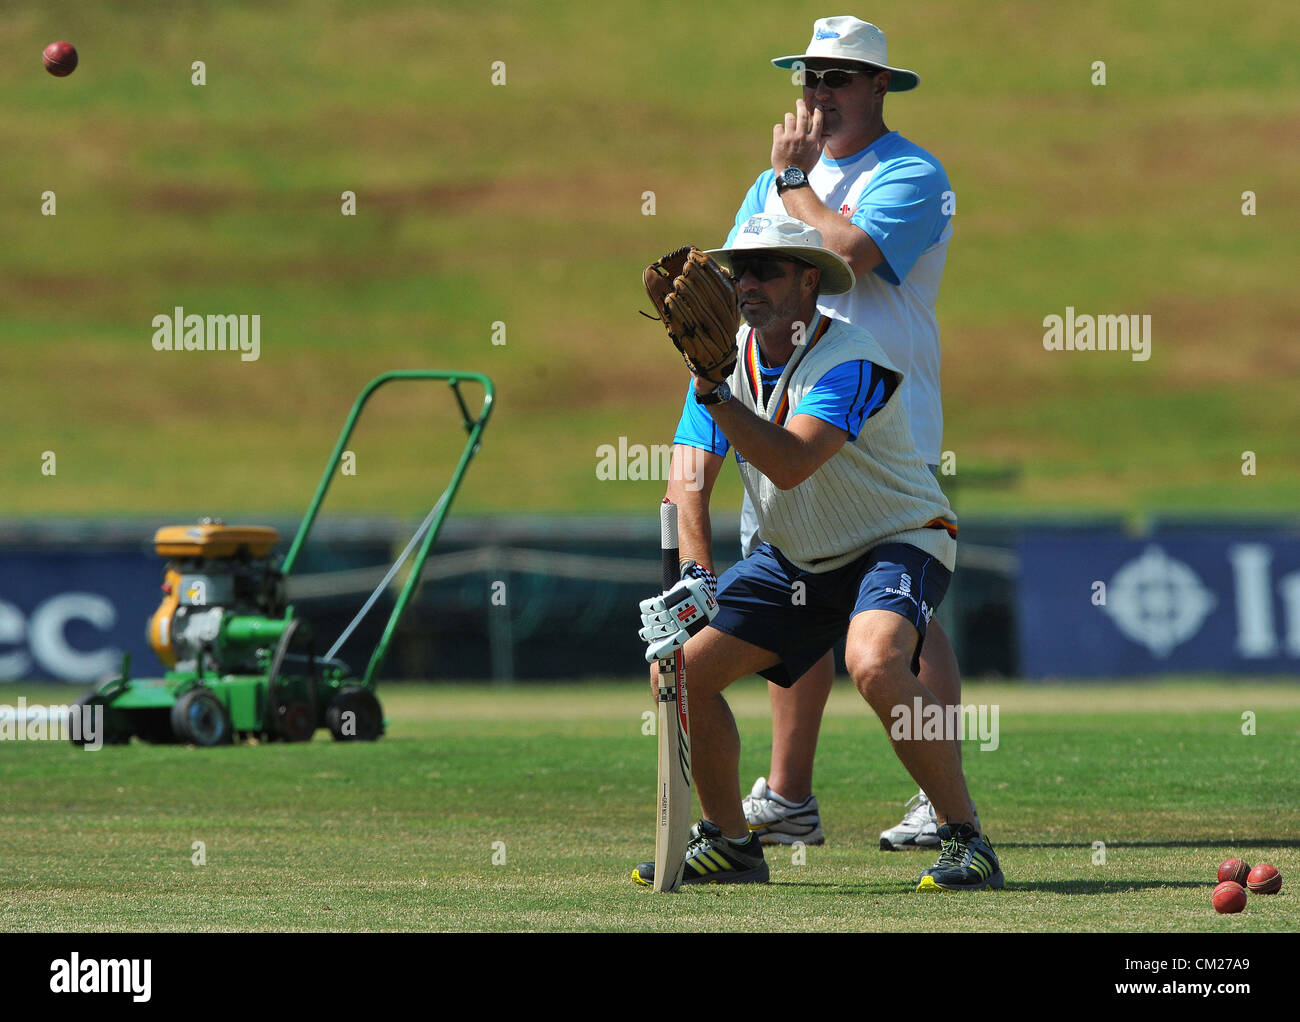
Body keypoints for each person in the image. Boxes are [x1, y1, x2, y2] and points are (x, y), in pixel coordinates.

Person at [630, 214, 1000, 891]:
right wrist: (695, 570)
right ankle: (733, 843)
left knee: (875, 662)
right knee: (682, 671)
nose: (747, 284)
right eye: (739, 271)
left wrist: (714, 393)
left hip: (897, 538)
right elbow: (686, 481)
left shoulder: (852, 359)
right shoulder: (717, 364)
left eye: (767, 269)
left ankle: (965, 836)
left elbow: (792, 462)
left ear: (809, 281)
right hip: (794, 557)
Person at [723, 16, 970, 850]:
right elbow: (741, 273)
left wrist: (792, 178)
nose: (818, 90)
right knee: (797, 582)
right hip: (785, 414)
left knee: (904, 615)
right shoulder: (772, 183)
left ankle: (943, 803)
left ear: (878, 87)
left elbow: (847, 250)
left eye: (837, 76)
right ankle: (789, 795)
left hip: (883, 419)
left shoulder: (911, 172)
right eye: (809, 77)